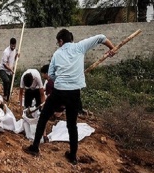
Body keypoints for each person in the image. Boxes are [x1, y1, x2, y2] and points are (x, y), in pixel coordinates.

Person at [23, 29, 116, 165]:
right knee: (72, 125)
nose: (58, 44)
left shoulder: (57, 54)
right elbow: (101, 37)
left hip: (59, 90)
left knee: (43, 117)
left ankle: (35, 147)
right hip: (74, 93)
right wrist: (112, 49)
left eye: (58, 42)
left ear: (61, 41)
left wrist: (61, 78)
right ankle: (72, 156)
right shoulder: (80, 47)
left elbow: (51, 75)